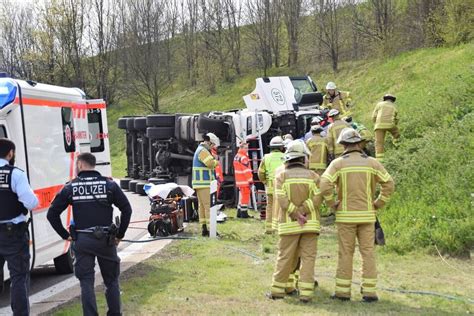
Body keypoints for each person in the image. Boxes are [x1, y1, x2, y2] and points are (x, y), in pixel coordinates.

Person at [47, 152, 132, 315]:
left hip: (83, 240)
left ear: (79, 165)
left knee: (86, 282)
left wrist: (65, 236)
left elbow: (52, 214)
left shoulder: (70, 187)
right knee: (112, 281)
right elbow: (127, 209)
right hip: (106, 240)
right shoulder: (109, 185)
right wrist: (120, 235)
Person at [319, 128, 394, 302]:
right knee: (368, 253)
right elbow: (389, 183)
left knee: (346, 253)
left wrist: (332, 203)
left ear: (343, 144)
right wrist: (378, 203)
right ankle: (369, 292)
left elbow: (324, 183)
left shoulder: (338, 164)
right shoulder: (372, 163)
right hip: (367, 216)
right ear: (360, 144)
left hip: (346, 217)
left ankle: (343, 292)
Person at [268, 140, 322, 303]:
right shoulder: (314, 176)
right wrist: (304, 211)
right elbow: (318, 198)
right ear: (302, 157)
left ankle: (277, 292)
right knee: (308, 258)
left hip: (289, 224)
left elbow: (281, 199)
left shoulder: (281, 176)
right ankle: (306, 294)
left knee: (285, 257)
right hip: (310, 224)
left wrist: (296, 213)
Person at [0, 138, 38, 315]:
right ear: (10, 153)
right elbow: (31, 203)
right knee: (19, 277)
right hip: (12, 234)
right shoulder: (15, 174)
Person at [192, 133, 220, 236]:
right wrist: (216, 161)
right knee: (209, 207)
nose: (213, 147)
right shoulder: (203, 151)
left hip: (200, 184)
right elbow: (211, 164)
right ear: (209, 142)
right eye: (212, 145)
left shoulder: (200, 150)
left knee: (202, 207)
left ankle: (204, 228)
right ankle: (212, 231)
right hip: (204, 183)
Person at [258, 136, 285, 233]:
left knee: (270, 206)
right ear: (281, 147)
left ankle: (269, 228)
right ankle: (279, 227)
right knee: (281, 206)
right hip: (282, 186)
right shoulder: (285, 157)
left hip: (269, 186)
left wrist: (264, 181)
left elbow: (260, 173)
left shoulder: (266, 157)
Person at [372, 94, 400, 162]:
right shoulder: (394, 107)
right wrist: (395, 126)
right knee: (397, 135)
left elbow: (374, 116)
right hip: (390, 125)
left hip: (379, 125)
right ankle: (398, 146)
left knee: (379, 143)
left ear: (384, 99)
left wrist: (376, 123)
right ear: (393, 101)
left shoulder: (379, 104)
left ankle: (380, 160)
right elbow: (396, 119)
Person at [233, 140, 253, 218]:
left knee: (241, 197)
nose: (247, 150)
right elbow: (246, 171)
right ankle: (244, 214)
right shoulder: (244, 157)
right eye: (245, 148)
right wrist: (250, 181)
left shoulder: (236, 156)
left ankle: (239, 212)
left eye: (247, 148)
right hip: (244, 180)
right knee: (245, 197)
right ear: (241, 148)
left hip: (239, 180)